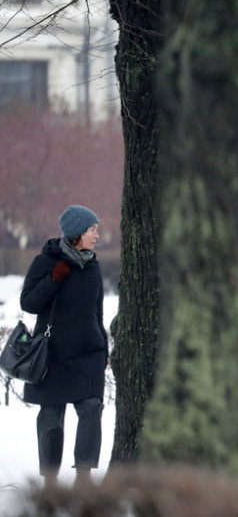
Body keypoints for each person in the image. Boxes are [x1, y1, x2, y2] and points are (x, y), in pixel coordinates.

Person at [20, 205, 108, 489]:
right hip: (54, 353)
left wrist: (103, 348)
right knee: (50, 416)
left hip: (88, 354)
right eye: (92, 230)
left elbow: (98, 311)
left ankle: (84, 477)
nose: (97, 235)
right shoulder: (47, 261)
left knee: (92, 409)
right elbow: (28, 303)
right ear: (76, 233)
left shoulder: (93, 264)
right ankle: (50, 480)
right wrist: (54, 278)